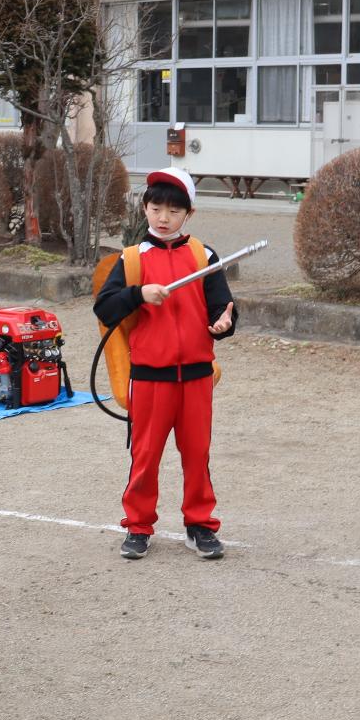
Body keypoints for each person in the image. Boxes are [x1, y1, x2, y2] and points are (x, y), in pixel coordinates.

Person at [92, 166, 236, 561]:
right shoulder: (132, 259)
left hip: (196, 377)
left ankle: (200, 526)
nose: (164, 217)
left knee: (197, 455)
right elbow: (104, 306)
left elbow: (223, 309)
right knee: (145, 457)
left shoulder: (203, 256)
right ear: (145, 208)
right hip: (150, 379)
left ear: (188, 214)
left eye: (174, 211)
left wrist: (224, 324)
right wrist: (138, 294)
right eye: (156, 208)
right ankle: (138, 527)